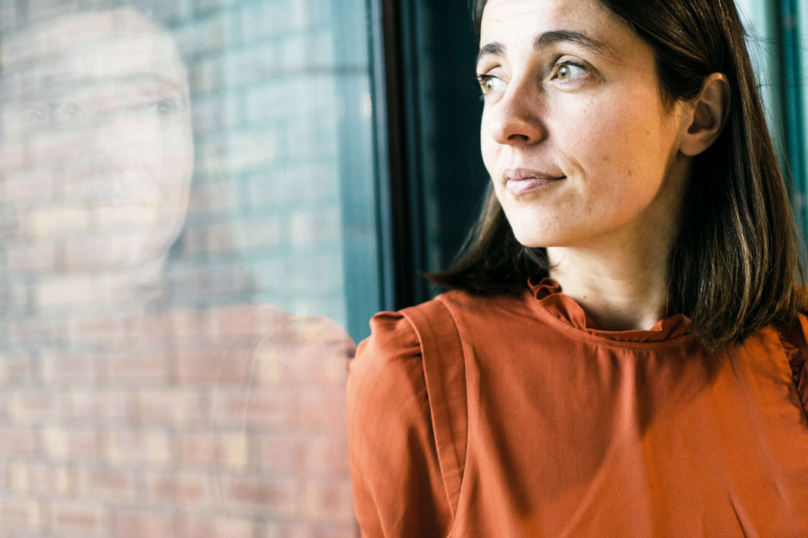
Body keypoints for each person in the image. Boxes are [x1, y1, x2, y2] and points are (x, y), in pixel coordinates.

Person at [346, 0, 808, 536]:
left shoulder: (795, 356)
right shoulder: (416, 379)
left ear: (700, 115)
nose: (504, 122)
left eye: (567, 68)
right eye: (491, 78)